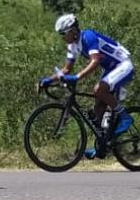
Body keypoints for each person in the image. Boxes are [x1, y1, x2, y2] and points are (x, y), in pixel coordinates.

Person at [41, 13, 134, 159]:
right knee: (98, 107)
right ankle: (102, 146)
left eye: (63, 34)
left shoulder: (88, 36)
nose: (62, 37)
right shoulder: (72, 46)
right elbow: (66, 70)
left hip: (123, 64)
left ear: (72, 31)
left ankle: (125, 117)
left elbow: (95, 60)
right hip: (111, 68)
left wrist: (77, 77)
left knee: (99, 90)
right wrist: (48, 80)